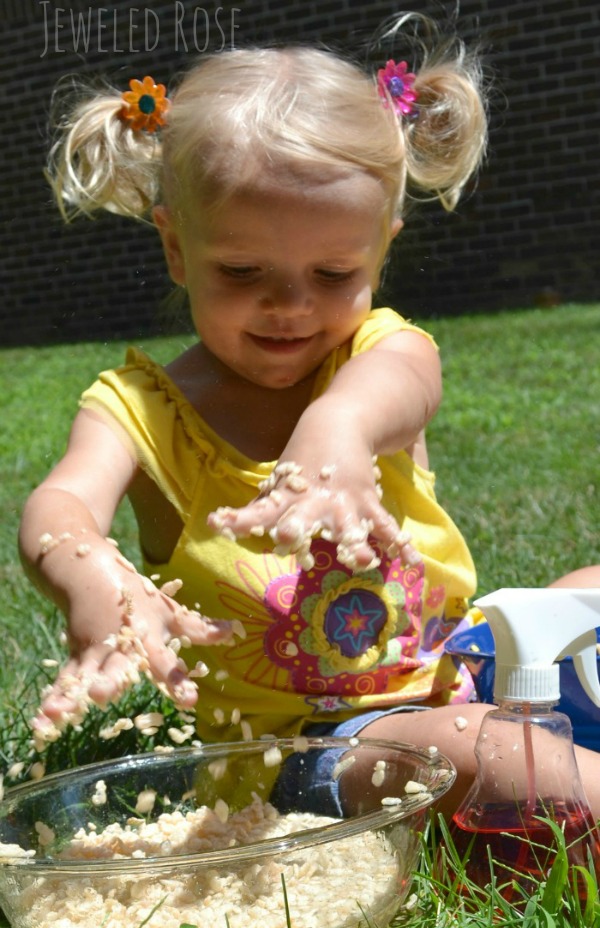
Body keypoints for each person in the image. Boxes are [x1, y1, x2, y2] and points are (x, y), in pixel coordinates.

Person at [19, 22, 600, 818]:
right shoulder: (140, 410)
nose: (290, 304)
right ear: (176, 249)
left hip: (460, 664)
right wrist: (92, 576)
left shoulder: (379, 355)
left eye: (332, 273)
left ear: (380, 250)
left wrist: (340, 427)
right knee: (486, 753)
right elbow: (60, 506)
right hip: (308, 750)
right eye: (242, 270)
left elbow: (404, 382)